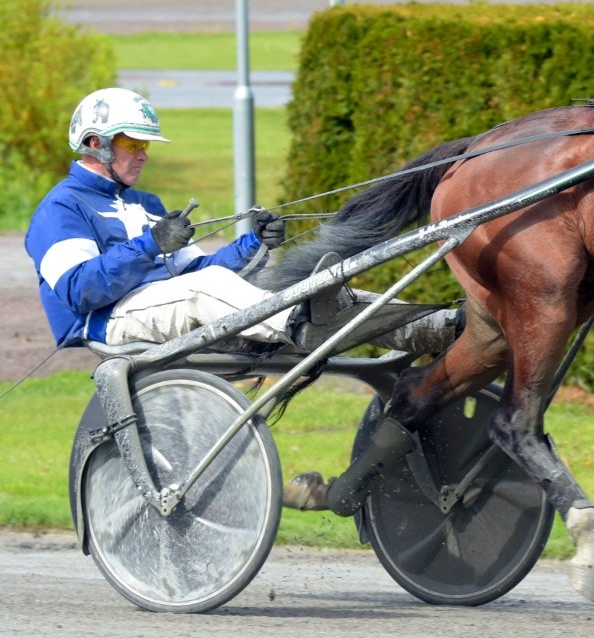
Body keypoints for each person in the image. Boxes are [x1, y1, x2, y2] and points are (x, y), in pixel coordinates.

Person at [25, 88, 459, 510]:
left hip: (170, 303)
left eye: (146, 145)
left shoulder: (145, 203)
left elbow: (199, 268)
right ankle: (300, 324)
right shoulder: (61, 208)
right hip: (107, 321)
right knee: (213, 288)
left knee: (309, 285)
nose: (143, 155)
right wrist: (150, 245)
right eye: (133, 144)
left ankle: (436, 327)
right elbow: (79, 290)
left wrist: (253, 243)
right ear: (95, 144)